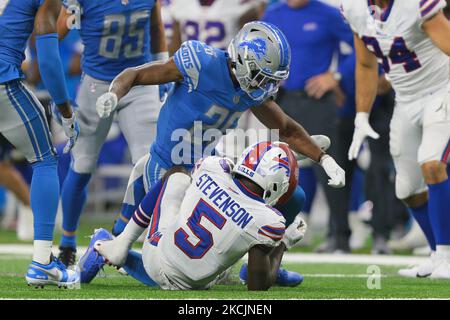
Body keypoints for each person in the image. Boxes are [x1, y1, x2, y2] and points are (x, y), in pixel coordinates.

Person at [97, 21, 346, 284]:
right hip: (168, 172)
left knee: (292, 195)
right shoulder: (199, 63)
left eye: (270, 80)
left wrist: (324, 158)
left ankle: (264, 262)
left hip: (211, 171)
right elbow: (136, 74)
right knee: (171, 262)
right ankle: (119, 244)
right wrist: (114, 94)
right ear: (242, 60)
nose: (265, 86)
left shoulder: (248, 88)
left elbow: (286, 128)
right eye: (261, 77)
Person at [81, 144, 308, 290]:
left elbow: (218, 179)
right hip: (196, 283)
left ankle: (119, 243)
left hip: (157, 257)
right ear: (277, 183)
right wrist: (283, 243)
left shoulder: (213, 167)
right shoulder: (269, 220)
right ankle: (117, 247)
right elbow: (257, 286)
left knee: (177, 175)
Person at [55, 0, 169, 267]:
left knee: (148, 165)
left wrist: (162, 70)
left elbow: (156, 29)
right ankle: (68, 242)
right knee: (82, 165)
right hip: (96, 83)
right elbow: (56, 31)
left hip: (140, 82)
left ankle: (121, 231)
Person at [343, 0, 450, 278]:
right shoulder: (354, 8)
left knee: (432, 163)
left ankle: (448, 256)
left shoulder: (415, 5)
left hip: (442, 89)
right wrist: (361, 116)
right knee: (408, 190)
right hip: (405, 100)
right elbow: (366, 65)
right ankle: (437, 254)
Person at [263, 0, 355, 253]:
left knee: (327, 166)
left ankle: (340, 235)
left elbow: (359, 48)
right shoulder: (273, 12)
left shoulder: (327, 13)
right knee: (272, 167)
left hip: (315, 99)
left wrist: (335, 76)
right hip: (279, 101)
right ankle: (269, 232)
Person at [0, 0, 79, 287]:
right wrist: (66, 112)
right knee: (45, 159)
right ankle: (43, 262)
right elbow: (47, 59)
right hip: (3, 79)